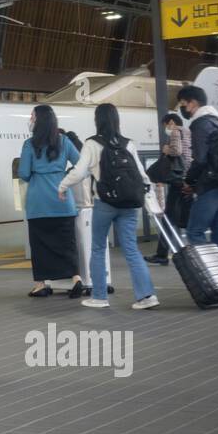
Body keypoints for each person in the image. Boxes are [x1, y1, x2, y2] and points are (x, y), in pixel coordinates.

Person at [58, 103, 159, 309]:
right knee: (131, 249)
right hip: (130, 204)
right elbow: (141, 175)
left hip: (105, 204)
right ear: (117, 120)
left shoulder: (92, 144)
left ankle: (100, 297)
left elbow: (78, 172)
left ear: (98, 121)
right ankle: (147, 296)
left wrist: (62, 186)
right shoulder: (128, 143)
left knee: (98, 248)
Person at [18, 105, 82, 297]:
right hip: (63, 201)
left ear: (38, 121)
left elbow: (23, 173)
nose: (30, 120)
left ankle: (41, 285)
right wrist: (64, 175)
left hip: (38, 203)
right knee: (67, 244)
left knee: (39, 246)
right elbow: (81, 165)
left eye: (32, 117)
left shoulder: (29, 144)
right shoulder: (64, 141)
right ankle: (76, 279)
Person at [177, 84, 218, 273]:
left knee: (195, 231)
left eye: (183, 104)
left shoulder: (200, 124)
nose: (183, 109)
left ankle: (214, 279)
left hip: (210, 188)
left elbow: (200, 160)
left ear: (193, 103)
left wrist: (189, 181)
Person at [64, 130, 111, 297]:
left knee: (90, 247)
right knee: (97, 246)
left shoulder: (76, 160)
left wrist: (62, 186)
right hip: (93, 206)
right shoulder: (86, 151)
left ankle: (92, 284)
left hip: (79, 207)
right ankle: (101, 281)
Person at [146, 112, 192, 266]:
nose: (166, 128)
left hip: (178, 180)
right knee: (174, 218)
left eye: (165, 125)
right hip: (187, 178)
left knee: (170, 218)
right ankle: (164, 254)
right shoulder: (188, 132)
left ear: (171, 122)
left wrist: (167, 150)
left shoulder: (175, 131)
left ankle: (163, 255)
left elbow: (176, 151)